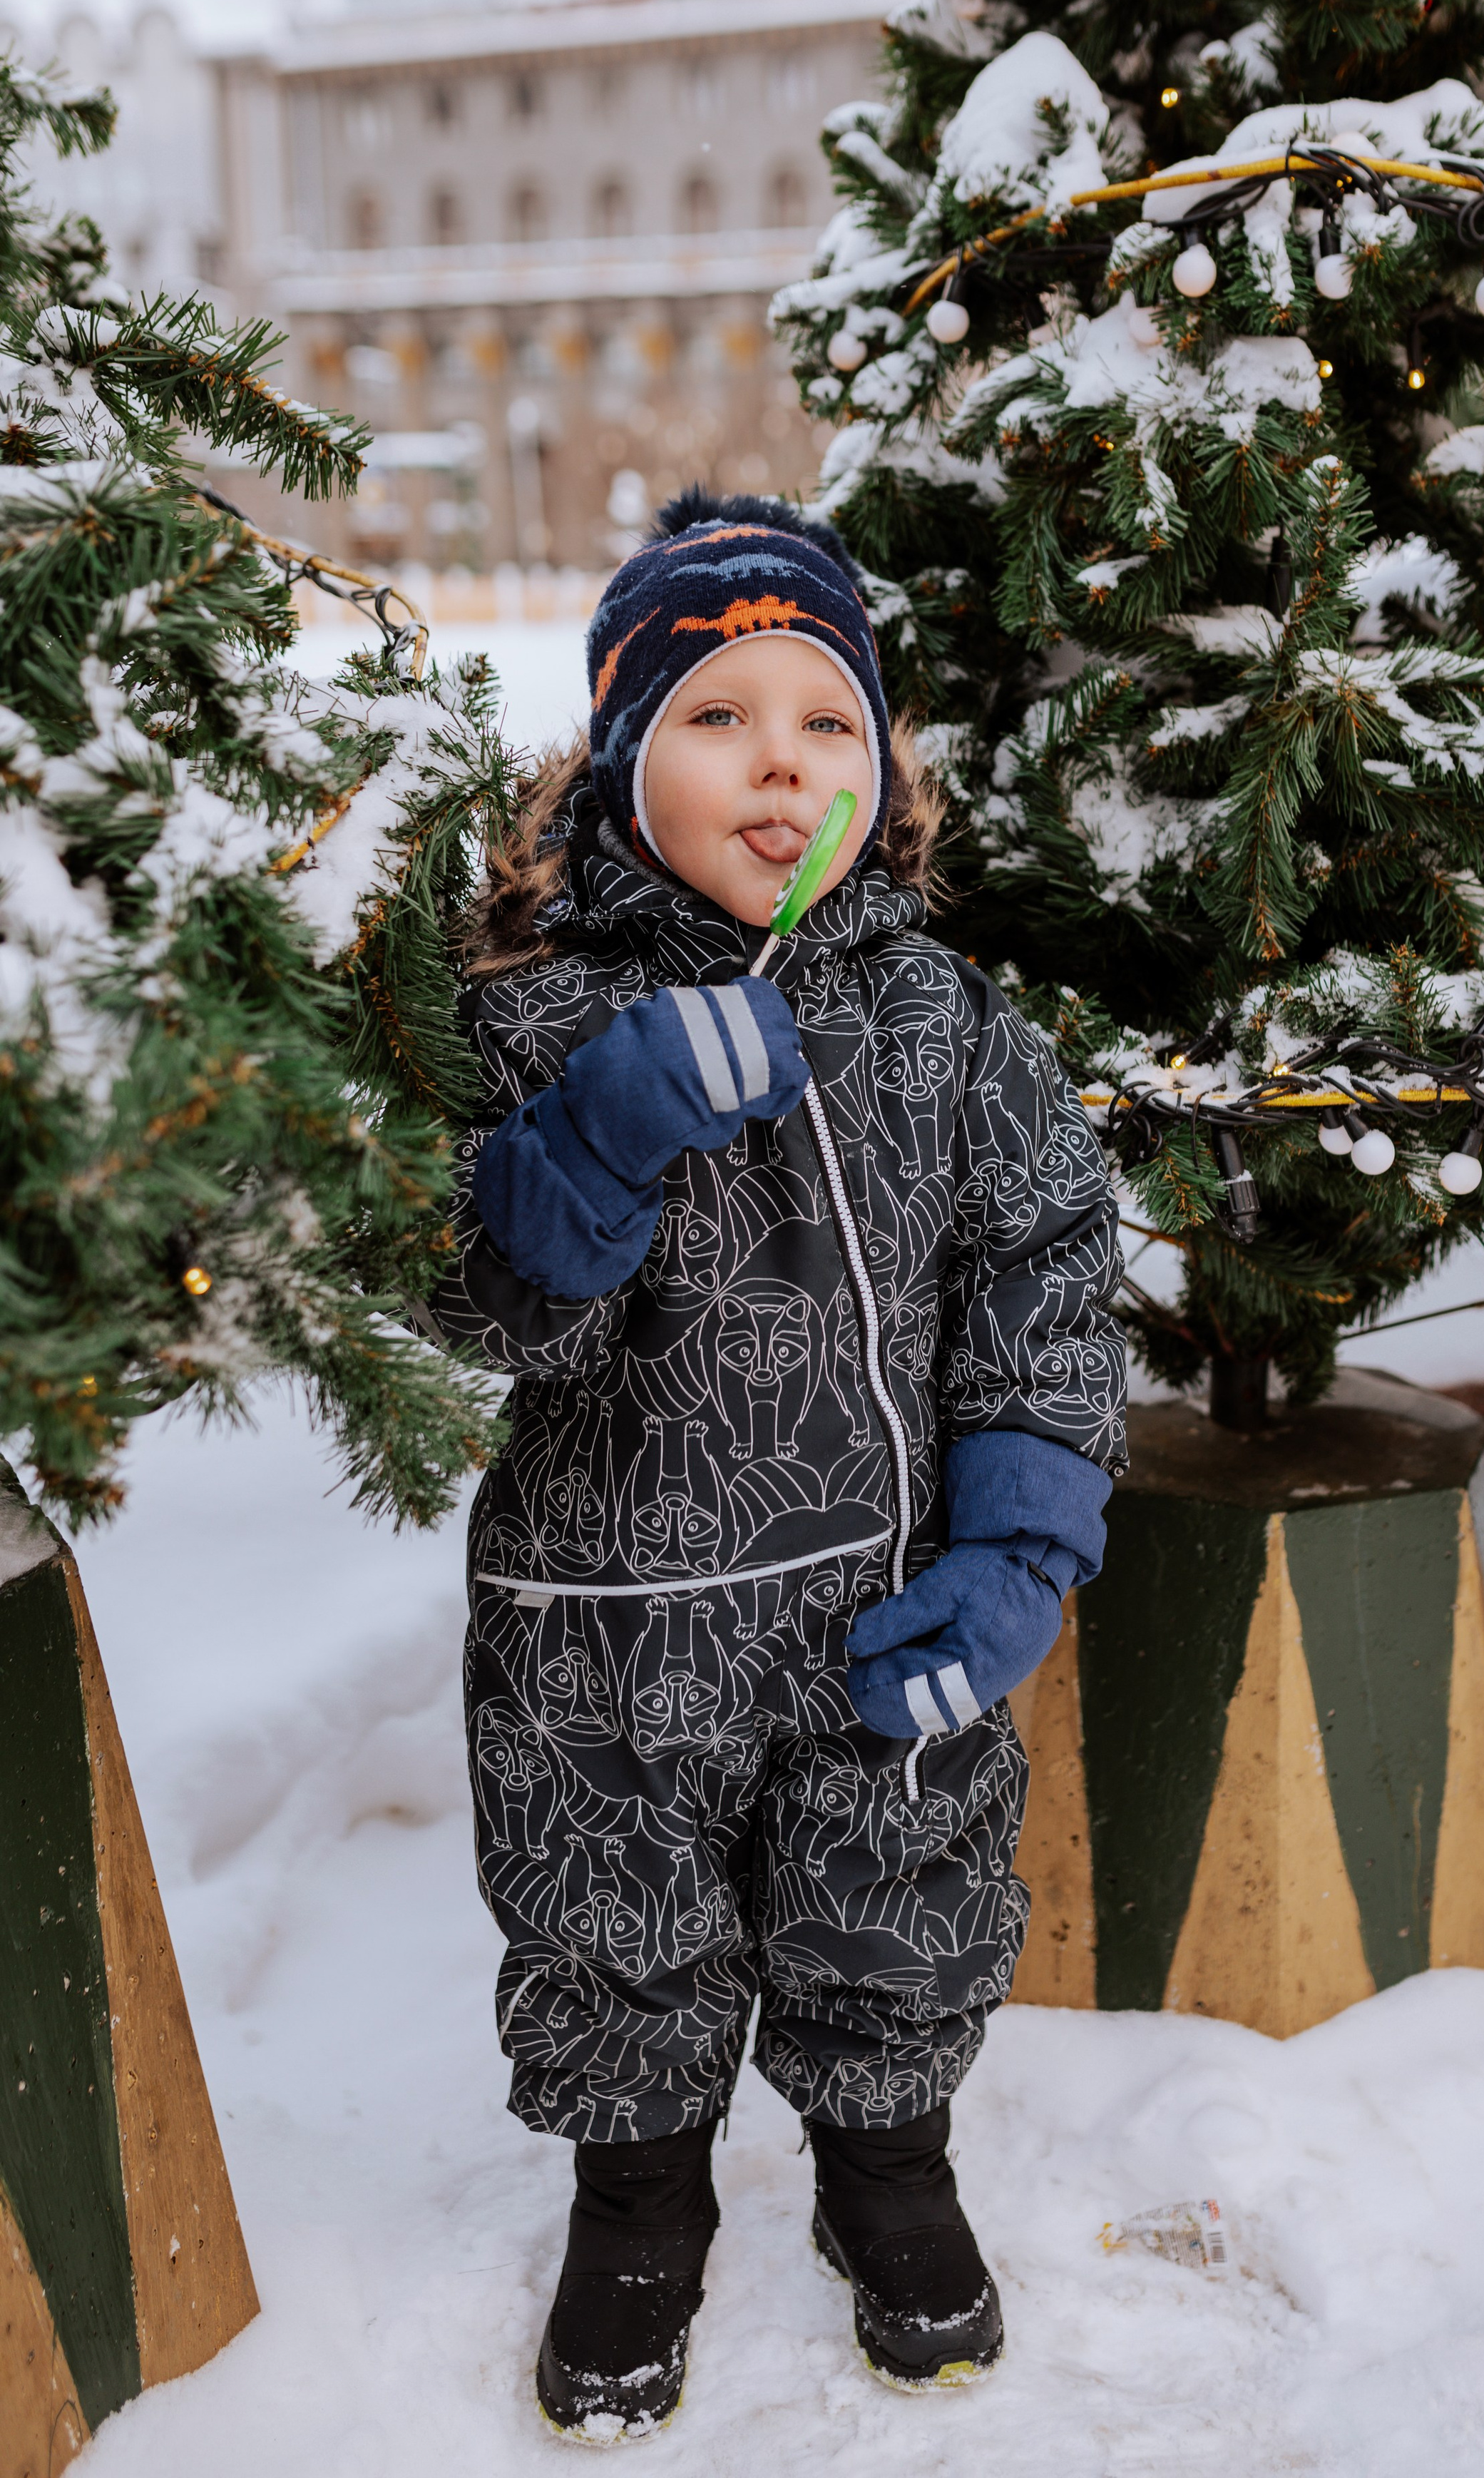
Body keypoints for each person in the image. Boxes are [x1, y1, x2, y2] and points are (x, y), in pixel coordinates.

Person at [429, 490, 1125, 2440]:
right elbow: (480, 1312)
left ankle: (885, 2165)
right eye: (720, 716)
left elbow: (1046, 1280)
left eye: (826, 720)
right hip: (603, 1639)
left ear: (879, 770)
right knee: (612, 1921)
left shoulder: (938, 1017)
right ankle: (636, 2204)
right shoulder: (535, 1013)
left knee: (894, 1896)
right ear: (625, 758)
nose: (781, 761)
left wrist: (1018, 1552)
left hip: (880, 1602)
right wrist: (592, 1138)